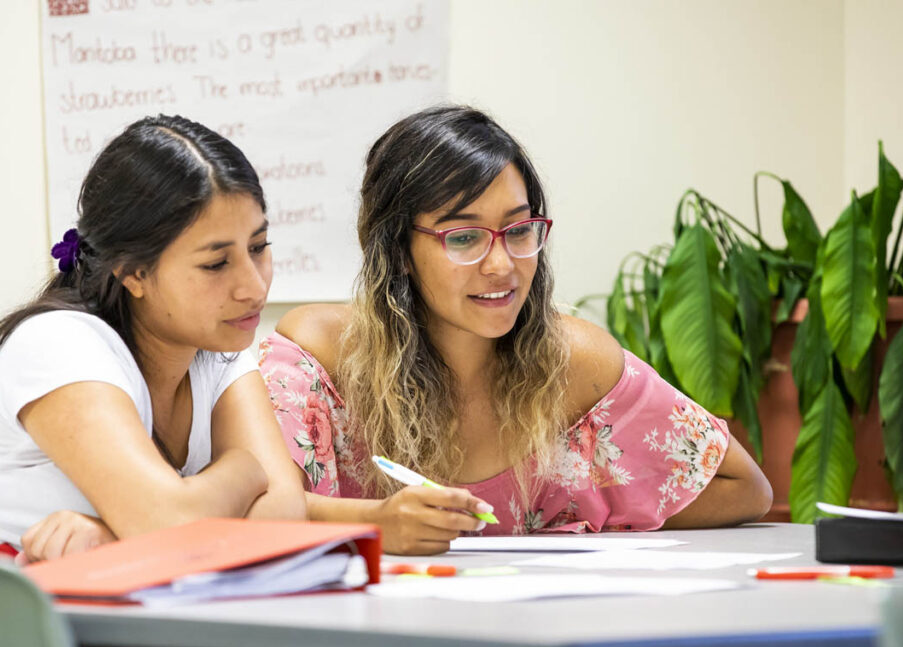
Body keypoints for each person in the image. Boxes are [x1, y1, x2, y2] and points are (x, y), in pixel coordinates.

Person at [259, 105, 772, 555]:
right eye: (463, 237)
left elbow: (744, 487)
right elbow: (253, 510)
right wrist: (374, 525)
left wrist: (587, 517)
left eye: (520, 229)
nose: (502, 264)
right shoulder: (320, 354)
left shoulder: (576, 362)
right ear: (396, 251)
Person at [0, 115, 306, 563]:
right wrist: (245, 468)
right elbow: (169, 524)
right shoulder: (60, 345)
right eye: (216, 264)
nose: (253, 287)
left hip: (37, 621)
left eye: (258, 247)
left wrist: (114, 534)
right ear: (134, 273)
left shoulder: (218, 350)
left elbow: (282, 518)